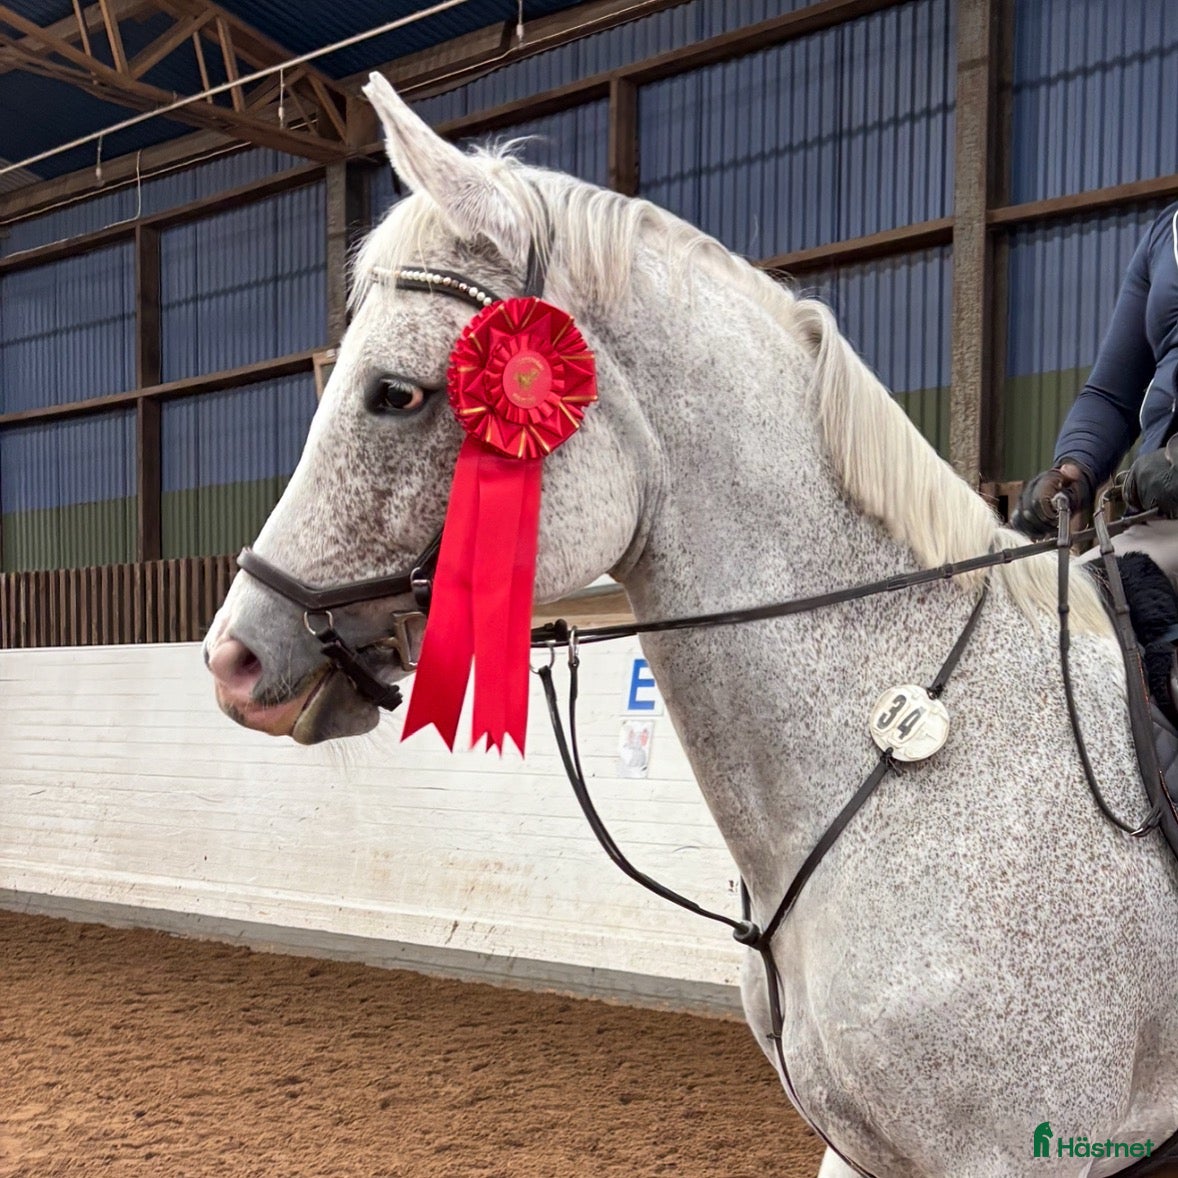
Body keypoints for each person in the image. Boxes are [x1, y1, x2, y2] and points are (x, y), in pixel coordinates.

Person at [1012, 201, 1178, 582]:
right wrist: (1075, 469)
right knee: (1058, 601)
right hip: (1154, 526)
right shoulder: (1166, 235)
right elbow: (1112, 394)